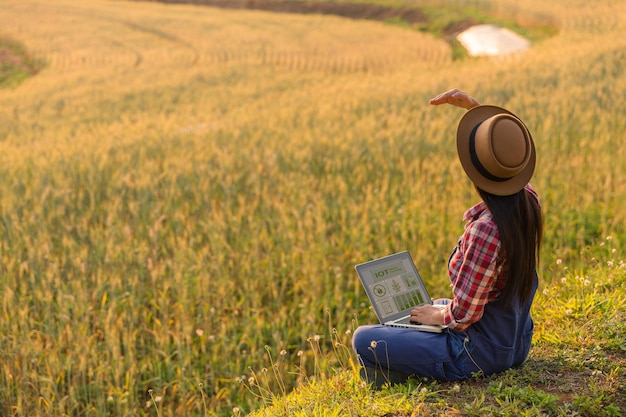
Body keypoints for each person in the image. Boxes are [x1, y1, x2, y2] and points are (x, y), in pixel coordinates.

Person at [352, 89, 543, 388]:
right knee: (423, 308)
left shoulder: (486, 230)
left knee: (364, 338)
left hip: (479, 353)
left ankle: (403, 373)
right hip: (515, 342)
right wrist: (477, 112)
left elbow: (464, 314)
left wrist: (441, 315)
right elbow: (509, 158)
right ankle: (408, 354)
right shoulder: (529, 203)